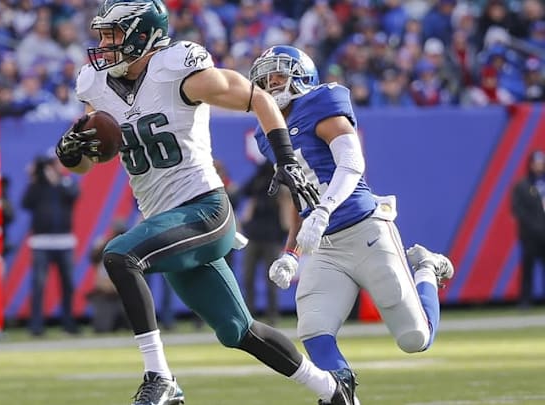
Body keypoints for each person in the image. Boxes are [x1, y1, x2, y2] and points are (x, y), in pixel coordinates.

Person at [54, 2, 353, 405]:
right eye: (103, 35)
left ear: (142, 34)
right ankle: (333, 390)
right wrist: (73, 154)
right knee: (238, 331)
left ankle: (159, 377)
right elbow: (92, 159)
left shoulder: (177, 68)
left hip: (204, 210)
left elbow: (260, 100)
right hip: (165, 221)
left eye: (112, 35)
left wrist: (286, 161)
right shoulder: (95, 83)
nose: (103, 45)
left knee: (120, 256)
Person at [250, 45, 456, 405]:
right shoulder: (267, 135)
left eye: (278, 76)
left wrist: (325, 210)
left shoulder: (321, 103)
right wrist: (292, 255)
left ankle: (426, 267)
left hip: (365, 230)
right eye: (264, 81)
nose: (270, 86)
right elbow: (302, 202)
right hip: (326, 246)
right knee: (313, 329)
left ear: (302, 76)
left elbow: (351, 164)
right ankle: (343, 393)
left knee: (414, 339)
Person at [21, 152, 80, 336]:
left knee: (68, 284)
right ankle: (36, 325)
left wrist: (58, 180)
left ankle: (69, 323)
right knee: (38, 284)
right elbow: (25, 203)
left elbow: (74, 195)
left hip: (64, 241)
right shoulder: (37, 185)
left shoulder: (66, 182)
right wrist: (33, 178)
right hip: (41, 242)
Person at [240, 162, 289, 326]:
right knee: (248, 277)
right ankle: (249, 314)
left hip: (272, 237)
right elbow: (244, 191)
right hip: (254, 236)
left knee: (272, 279)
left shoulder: (282, 182)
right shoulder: (259, 180)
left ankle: (272, 315)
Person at [511, 149, 545, 309]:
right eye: (536, 163)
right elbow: (517, 209)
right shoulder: (523, 185)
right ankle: (526, 300)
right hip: (530, 235)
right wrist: (533, 226)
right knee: (528, 268)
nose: (539, 166)